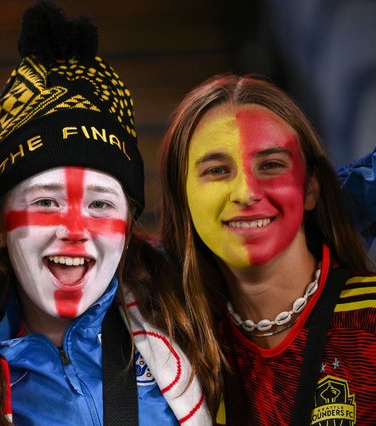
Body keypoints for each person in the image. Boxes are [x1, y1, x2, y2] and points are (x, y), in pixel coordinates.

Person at [0, 2, 216, 425]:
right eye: (46, 202)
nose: (74, 230)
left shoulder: (191, 309)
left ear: (128, 227)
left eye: (101, 204)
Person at [157, 73, 376, 425]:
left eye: (271, 165)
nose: (246, 192)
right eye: (217, 170)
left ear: (311, 189)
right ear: (183, 200)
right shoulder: (167, 348)